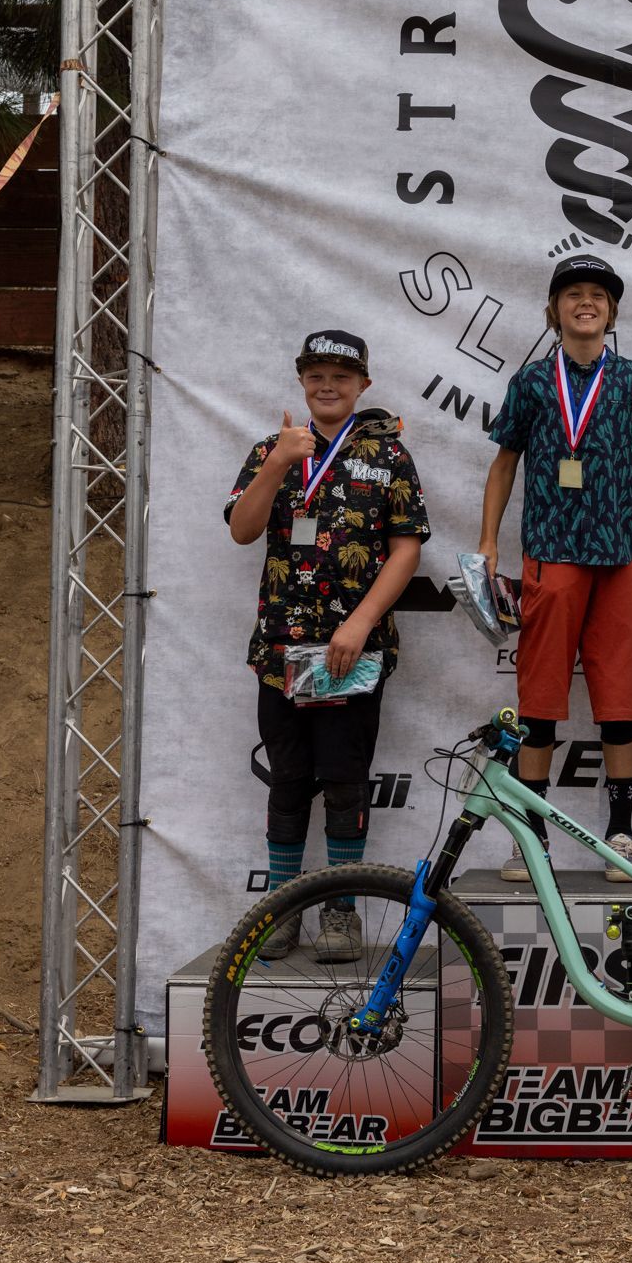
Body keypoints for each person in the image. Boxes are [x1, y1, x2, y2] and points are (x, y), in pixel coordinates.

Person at [478, 255, 632, 882]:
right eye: (573, 293)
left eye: (598, 295)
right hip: (550, 552)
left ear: (612, 311)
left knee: (617, 693)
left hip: (616, 557)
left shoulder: (631, 380)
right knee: (541, 693)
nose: (586, 302)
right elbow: (504, 465)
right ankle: (533, 838)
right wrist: (488, 542)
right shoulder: (529, 382)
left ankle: (622, 835)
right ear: (553, 310)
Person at [226, 329, 430, 958]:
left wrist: (361, 621)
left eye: (341, 376)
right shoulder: (272, 448)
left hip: (351, 653)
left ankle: (340, 911)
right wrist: (281, 463)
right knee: (288, 780)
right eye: (316, 375)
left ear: (363, 383)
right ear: (301, 382)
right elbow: (241, 529)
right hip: (282, 652)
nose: (328, 385)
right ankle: (285, 911)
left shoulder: (389, 456)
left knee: (344, 780)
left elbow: (407, 548)